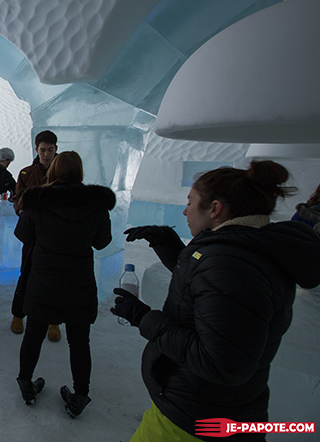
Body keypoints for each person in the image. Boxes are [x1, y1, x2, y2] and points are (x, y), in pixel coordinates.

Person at [114, 161, 320, 441]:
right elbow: (211, 289)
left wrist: (144, 318)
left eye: (191, 202)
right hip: (210, 410)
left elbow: (221, 363)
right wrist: (168, 244)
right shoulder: (245, 248)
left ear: (215, 209)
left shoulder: (232, 264)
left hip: (195, 423)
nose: (185, 210)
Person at [14, 152, 114, 416]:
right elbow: (102, 242)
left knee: (33, 334)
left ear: (54, 170)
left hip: (43, 280)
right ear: (79, 172)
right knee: (80, 342)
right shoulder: (96, 204)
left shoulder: (37, 200)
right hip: (79, 282)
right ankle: (80, 396)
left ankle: (25, 383)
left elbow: (23, 234)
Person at [11, 130, 62, 342]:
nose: (47, 155)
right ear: (36, 149)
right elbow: (17, 200)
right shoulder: (25, 174)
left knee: (56, 278)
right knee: (27, 273)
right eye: (43, 150)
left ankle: (54, 320)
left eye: (50, 150)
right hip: (33, 235)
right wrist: (22, 211)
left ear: (56, 149)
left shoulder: (63, 174)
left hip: (57, 235)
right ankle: (18, 314)